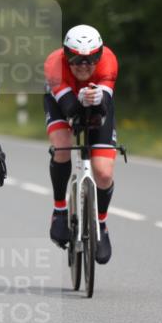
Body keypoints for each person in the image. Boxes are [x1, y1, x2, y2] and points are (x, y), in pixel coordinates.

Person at [43, 24, 119, 264]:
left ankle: (101, 224)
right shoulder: (54, 64)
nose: (84, 65)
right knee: (63, 147)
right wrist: (80, 100)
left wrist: (99, 99)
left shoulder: (109, 60)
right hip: (61, 102)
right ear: (66, 55)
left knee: (104, 173)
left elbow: (104, 104)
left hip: (97, 104)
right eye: (76, 59)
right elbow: (69, 110)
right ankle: (59, 209)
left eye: (91, 59)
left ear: (100, 54)